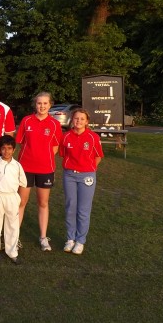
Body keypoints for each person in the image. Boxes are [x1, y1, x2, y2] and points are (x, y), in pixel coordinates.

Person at [16, 92, 63, 252]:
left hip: (45, 169)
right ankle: (14, 236)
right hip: (25, 168)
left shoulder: (55, 124)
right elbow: (21, 143)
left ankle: (43, 237)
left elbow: (55, 147)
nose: (42, 106)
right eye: (39, 103)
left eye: (45, 103)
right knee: (21, 202)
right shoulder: (26, 120)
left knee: (43, 203)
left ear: (50, 105)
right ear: (35, 105)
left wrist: (43, 158)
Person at [60, 108, 104, 255]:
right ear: (72, 120)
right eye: (76, 118)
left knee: (83, 210)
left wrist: (88, 169)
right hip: (69, 175)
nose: (78, 121)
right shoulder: (66, 137)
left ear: (87, 121)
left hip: (87, 176)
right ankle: (70, 239)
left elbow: (98, 157)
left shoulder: (93, 137)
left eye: (82, 119)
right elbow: (63, 154)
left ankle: (80, 241)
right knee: (70, 207)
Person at [0, 135, 27, 264]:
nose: (6, 151)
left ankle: (12, 251)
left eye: (9, 148)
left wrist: (16, 197)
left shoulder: (17, 166)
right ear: (0, 149)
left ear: (14, 150)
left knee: (12, 225)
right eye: (3, 148)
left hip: (12, 197)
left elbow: (23, 182)